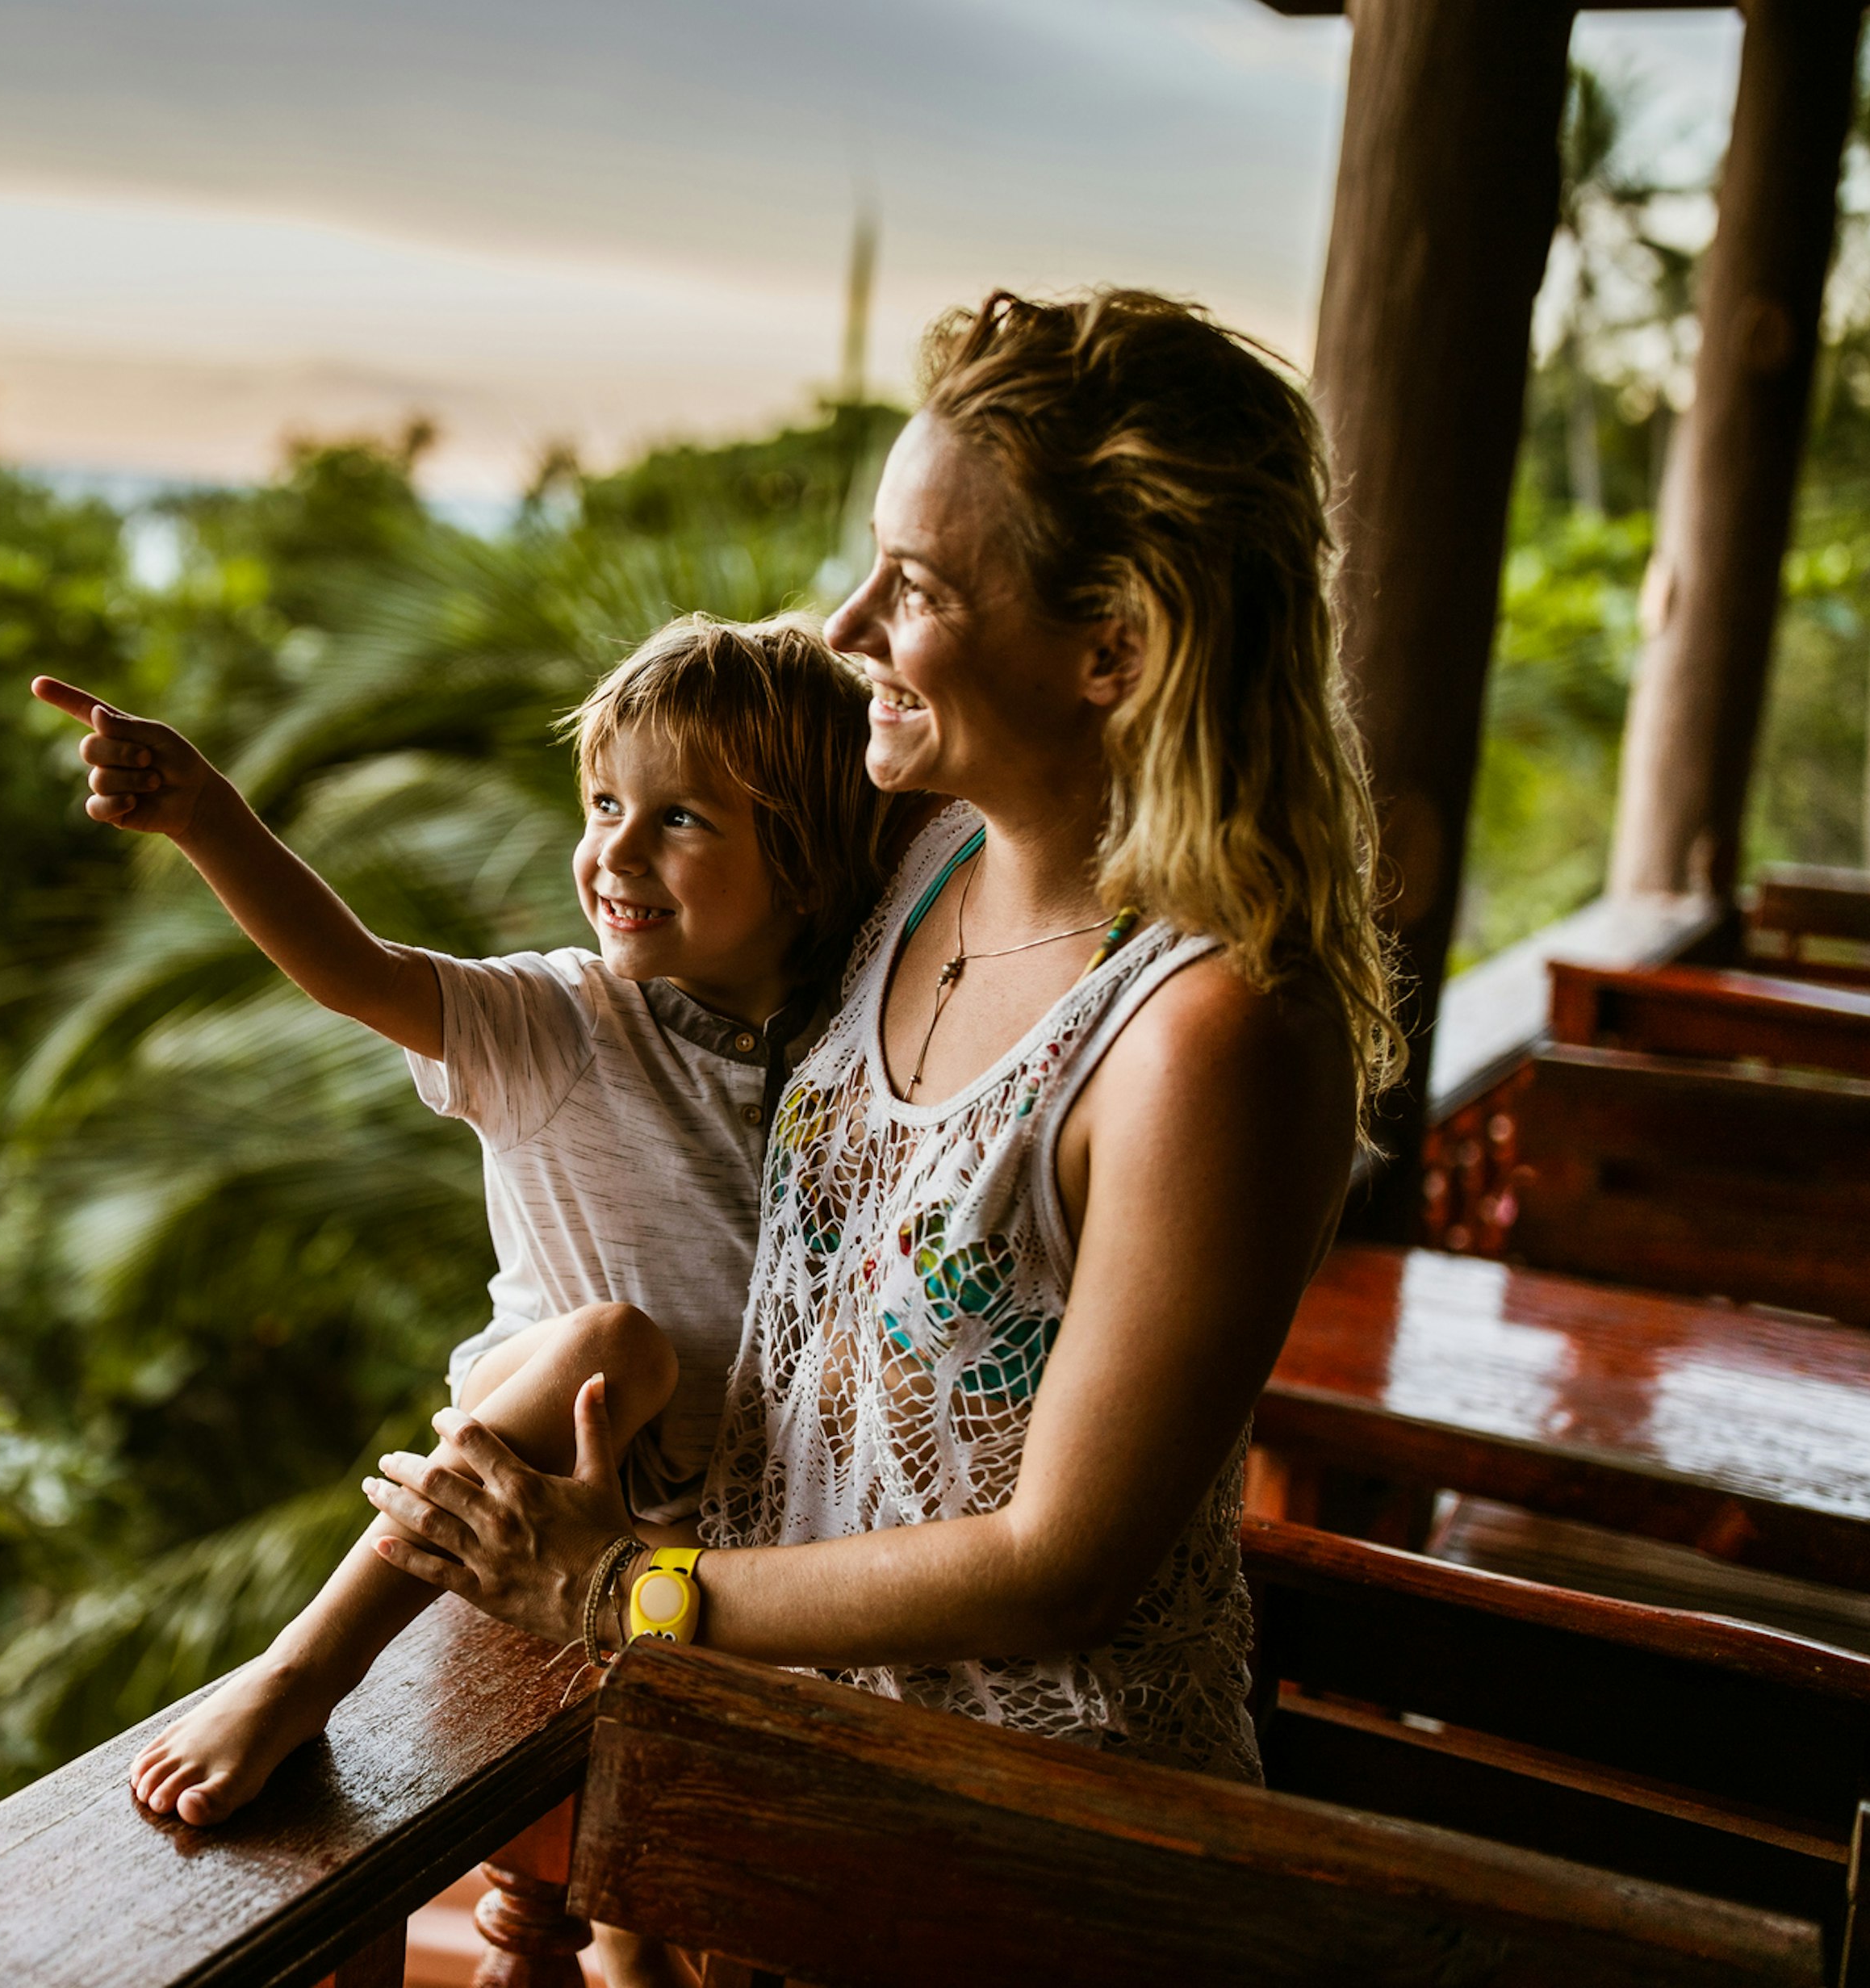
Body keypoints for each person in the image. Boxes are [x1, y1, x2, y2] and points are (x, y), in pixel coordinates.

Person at [358, 289, 1401, 1786]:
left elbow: (1062, 1567)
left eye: (912, 587)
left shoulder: (1213, 1034)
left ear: (1110, 646)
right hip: (778, 1743)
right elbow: (718, 747)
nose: (848, 631)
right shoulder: (917, 851)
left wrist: (615, 1591)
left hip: (1025, 1827)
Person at [26, 614, 906, 1836]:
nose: (617, 852)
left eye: (681, 818)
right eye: (603, 804)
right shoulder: (562, 1020)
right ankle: (304, 1666)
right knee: (616, 1345)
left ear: (807, 864)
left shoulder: (864, 1045)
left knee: (655, 1857)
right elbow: (358, 968)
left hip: (698, 1515)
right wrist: (208, 819)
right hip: (542, 1425)